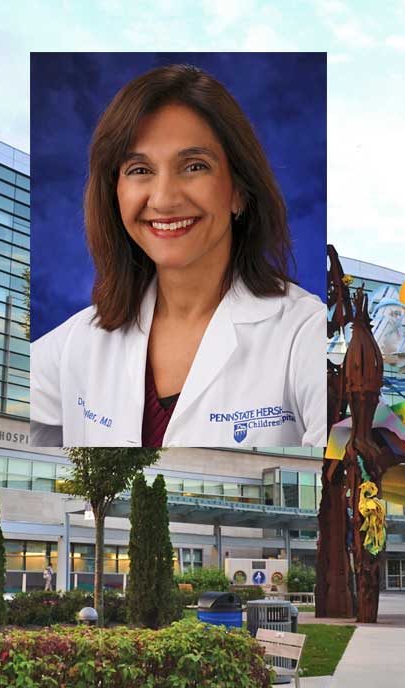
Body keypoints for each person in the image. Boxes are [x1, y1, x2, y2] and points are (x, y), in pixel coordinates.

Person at [31, 64, 326, 447]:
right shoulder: (76, 343)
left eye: (194, 166)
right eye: (139, 169)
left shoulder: (308, 334)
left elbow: (343, 485)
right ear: (114, 193)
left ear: (238, 190)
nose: (165, 199)